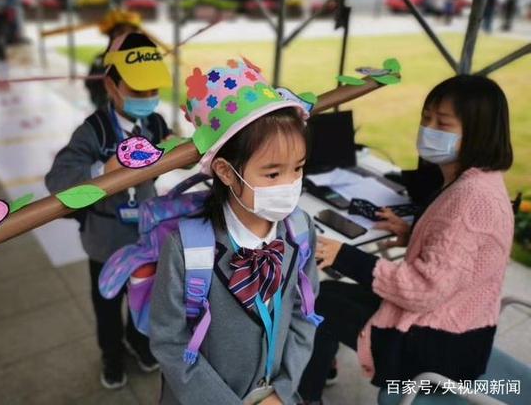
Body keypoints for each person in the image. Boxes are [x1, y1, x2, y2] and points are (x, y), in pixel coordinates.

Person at [299, 75, 514, 404]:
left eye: (442, 122)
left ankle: (305, 395)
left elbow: (424, 290)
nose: (428, 128)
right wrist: (414, 234)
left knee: (315, 303)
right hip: (458, 327)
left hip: (441, 347)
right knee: (324, 295)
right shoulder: (476, 182)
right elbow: (458, 256)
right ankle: (318, 375)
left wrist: (344, 255)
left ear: (479, 132)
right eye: (426, 118)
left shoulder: (471, 199)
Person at [149, 59, 320, 405]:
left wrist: (283, 392)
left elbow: (306, 313)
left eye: (298, 168)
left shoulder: (300, 229)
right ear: (226, 172)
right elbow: (170, 341)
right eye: (272, 175)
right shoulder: (186, 249)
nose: (290, 185)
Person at [45, 32, 172, 389]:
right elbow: (58, 180)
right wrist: (104, 170)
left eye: (152, 91)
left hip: (145, 238)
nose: (147, 99)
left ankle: (139, 341)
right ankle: (112, 355)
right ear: (112, 87)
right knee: (107, 303)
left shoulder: (154, 123)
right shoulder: (93, 132)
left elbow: (170, 147)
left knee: (144, 296)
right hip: (105, 243)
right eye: (137, 91)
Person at [85, 9, 143, 109]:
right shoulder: (100, 61)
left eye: (131, 32)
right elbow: (91, 86)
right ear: (112, 35)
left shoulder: (141, 59)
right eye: (121, 32)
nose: (125, 36)